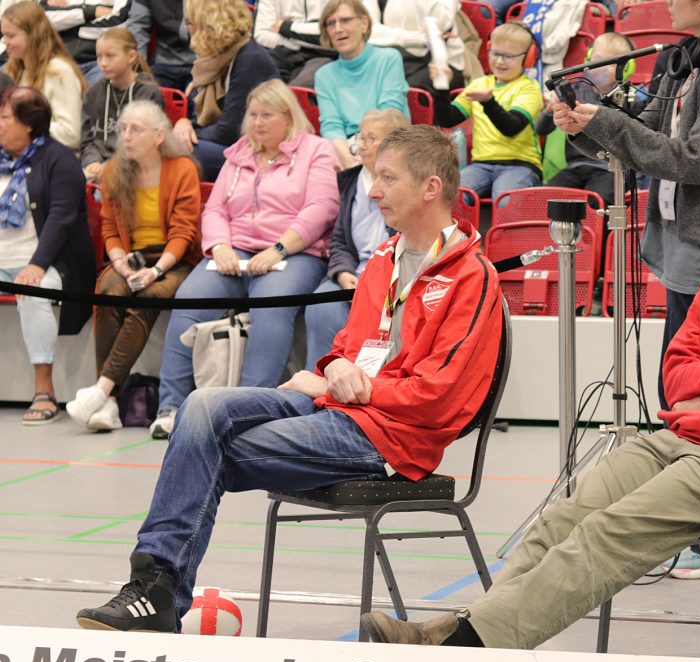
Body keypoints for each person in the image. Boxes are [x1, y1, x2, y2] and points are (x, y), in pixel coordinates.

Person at [360, 133, 700, 652]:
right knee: (559, 521)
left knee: (605, 532)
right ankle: (459, 632)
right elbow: (674, 382)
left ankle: (463, 646)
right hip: (680, 441)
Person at [76, 125, 503, 633]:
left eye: (388, 178)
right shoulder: (383, 260)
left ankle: (156, 590)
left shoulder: (473, 276)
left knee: (205, 450)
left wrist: (356, 387)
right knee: (202, 406)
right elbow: (349, 348)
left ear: (431, 187)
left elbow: (438, 394)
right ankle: (155, 590)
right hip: (338, 406)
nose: (373, 191)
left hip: (391, 438)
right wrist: (332, 368)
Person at [553, 0, 700, 572]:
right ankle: (692, 525)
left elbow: (697, 161)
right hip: (677, 244)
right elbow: (640, 138)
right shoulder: (682, 58)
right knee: (679, 389)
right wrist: (584, 125)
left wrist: (605, 123)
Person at [149, 79, 338, 440]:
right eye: (252, 115)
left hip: (294, 252)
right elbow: (215, 209)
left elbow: (322, 208)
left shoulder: (317, 151)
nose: (257, 123)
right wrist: (219, 245)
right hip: (235, 251)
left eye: (267, 115)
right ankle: (170, 407)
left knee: (271, 303)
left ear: (289, 117)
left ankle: (248, 410)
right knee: (189, 299)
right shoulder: (239, 154)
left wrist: (279, 249)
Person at [66, 101, 202, 432]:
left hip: (174, 260)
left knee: (148, 295)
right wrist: (120, 263)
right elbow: (110, 229)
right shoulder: (114, 170)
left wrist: (155, 271)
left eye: (135, 129)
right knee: (108, 290)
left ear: (158, 136)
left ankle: (102, 391)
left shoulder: (182, 169)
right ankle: (110, 405)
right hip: (131, 257)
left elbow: (184, 233)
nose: (126, 136)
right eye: (123, 128)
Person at [0, 88, 95, 424]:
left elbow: (61, 218)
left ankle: (44, 390)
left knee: (32, 291)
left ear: (28, 124)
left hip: (51, 261)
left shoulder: (60, 161)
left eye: (4, 118)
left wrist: (37, 264)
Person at [305, 108, 408, 370]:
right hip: (352, 273)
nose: (360, 145)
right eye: (360, 137)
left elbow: (411, 243)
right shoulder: (350, 181)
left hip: (392, 276)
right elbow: (340, 240)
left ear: (393, 145)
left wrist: (373, 280)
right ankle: (318, 379)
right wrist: (342, 273)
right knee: (321, 304)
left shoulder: (407, 187)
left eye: (370, 138)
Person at [431, 21, 544, 199]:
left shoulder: (530, 88)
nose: (499, 61)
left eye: (508, 56)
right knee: (448, 197)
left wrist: (488, 102)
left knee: (505, 201)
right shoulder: (479, 84)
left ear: (528, 58)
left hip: (520, 165)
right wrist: (441, 87)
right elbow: (447, 120)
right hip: (480, 165)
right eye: (495, 53)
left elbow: (511, 128)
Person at [173, 0, 280, 180]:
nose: (186, 29)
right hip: (229, 146)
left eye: (189, 22)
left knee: (179, 152)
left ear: (207, 24)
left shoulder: (249, 59)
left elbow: (230, 132)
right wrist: (184, 124)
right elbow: (197, 120)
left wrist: (188, 134)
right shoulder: (211, 60)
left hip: (259, 152)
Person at [535, 31, 641, 206]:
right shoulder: (574, 92)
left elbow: (638, 144)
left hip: (612, 170)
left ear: (627, 68)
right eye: (598, 59)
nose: (601, 67)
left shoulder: (631, 100)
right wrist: (549, 110)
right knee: (547, 199)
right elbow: (540, 129)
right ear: (587, 59)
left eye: (610, 62)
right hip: (575, 167)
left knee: (595, 201)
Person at [314, 0, 409, 170]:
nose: (338, 29)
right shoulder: (323, 75)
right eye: (331, 23)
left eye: (345, 20)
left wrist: (365, 156)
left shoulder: (389, 59)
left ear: (364, 23)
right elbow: (331, 127)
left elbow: (389, 116)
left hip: (389, 145)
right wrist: (348, 161)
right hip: (347, 151)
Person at [1, 1, 87, 151]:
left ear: (33, 35)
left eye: (11, 36)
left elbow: (71, 135)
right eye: (4, 35)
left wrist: (23, 126)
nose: (5, 42)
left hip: (52, 158)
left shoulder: (59, 71)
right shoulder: (13, 70)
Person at [80, 28, 164, 181]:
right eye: (99, 57)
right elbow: (87, 140)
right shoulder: (93, 93)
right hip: (98, 167)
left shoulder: (148, 93)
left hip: (135, 168)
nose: (103, 63)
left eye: (110, 56)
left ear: (131, 56)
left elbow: (150, 145)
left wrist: (111, 166)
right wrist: (92, 162)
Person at [371, 0, 466, 94]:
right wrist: (419, 39)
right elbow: (369, 30)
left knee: (406, 91)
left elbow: (440, 24)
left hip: (437, 63)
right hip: (390, 57)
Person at [254, 0, 343, 88]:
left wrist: (285, 27)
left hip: (322, 54)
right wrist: (297, 41)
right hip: (284, 50)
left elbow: (330, 34)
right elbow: (261, 34)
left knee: (300, 87)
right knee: (257, 77)